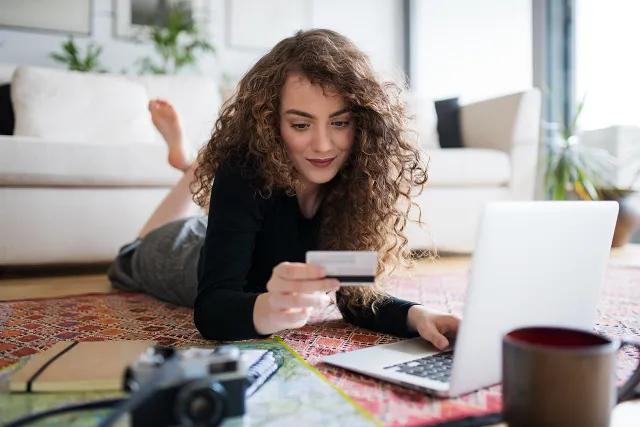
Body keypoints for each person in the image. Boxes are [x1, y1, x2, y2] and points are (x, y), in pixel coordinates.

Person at [108, 29, 459, 349]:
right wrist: (267, 308)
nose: (323, 145)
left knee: (214, 228)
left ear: (362, 122)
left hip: (222, 234)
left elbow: (354, 297)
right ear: (270, 123)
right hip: (179, 255)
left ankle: (195, 167)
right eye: (301, 124)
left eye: (340, 123)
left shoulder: (357, 177)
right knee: (133, 252)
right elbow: (212, 309)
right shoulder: (243, 170)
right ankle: (195, 167)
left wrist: (417, 315)